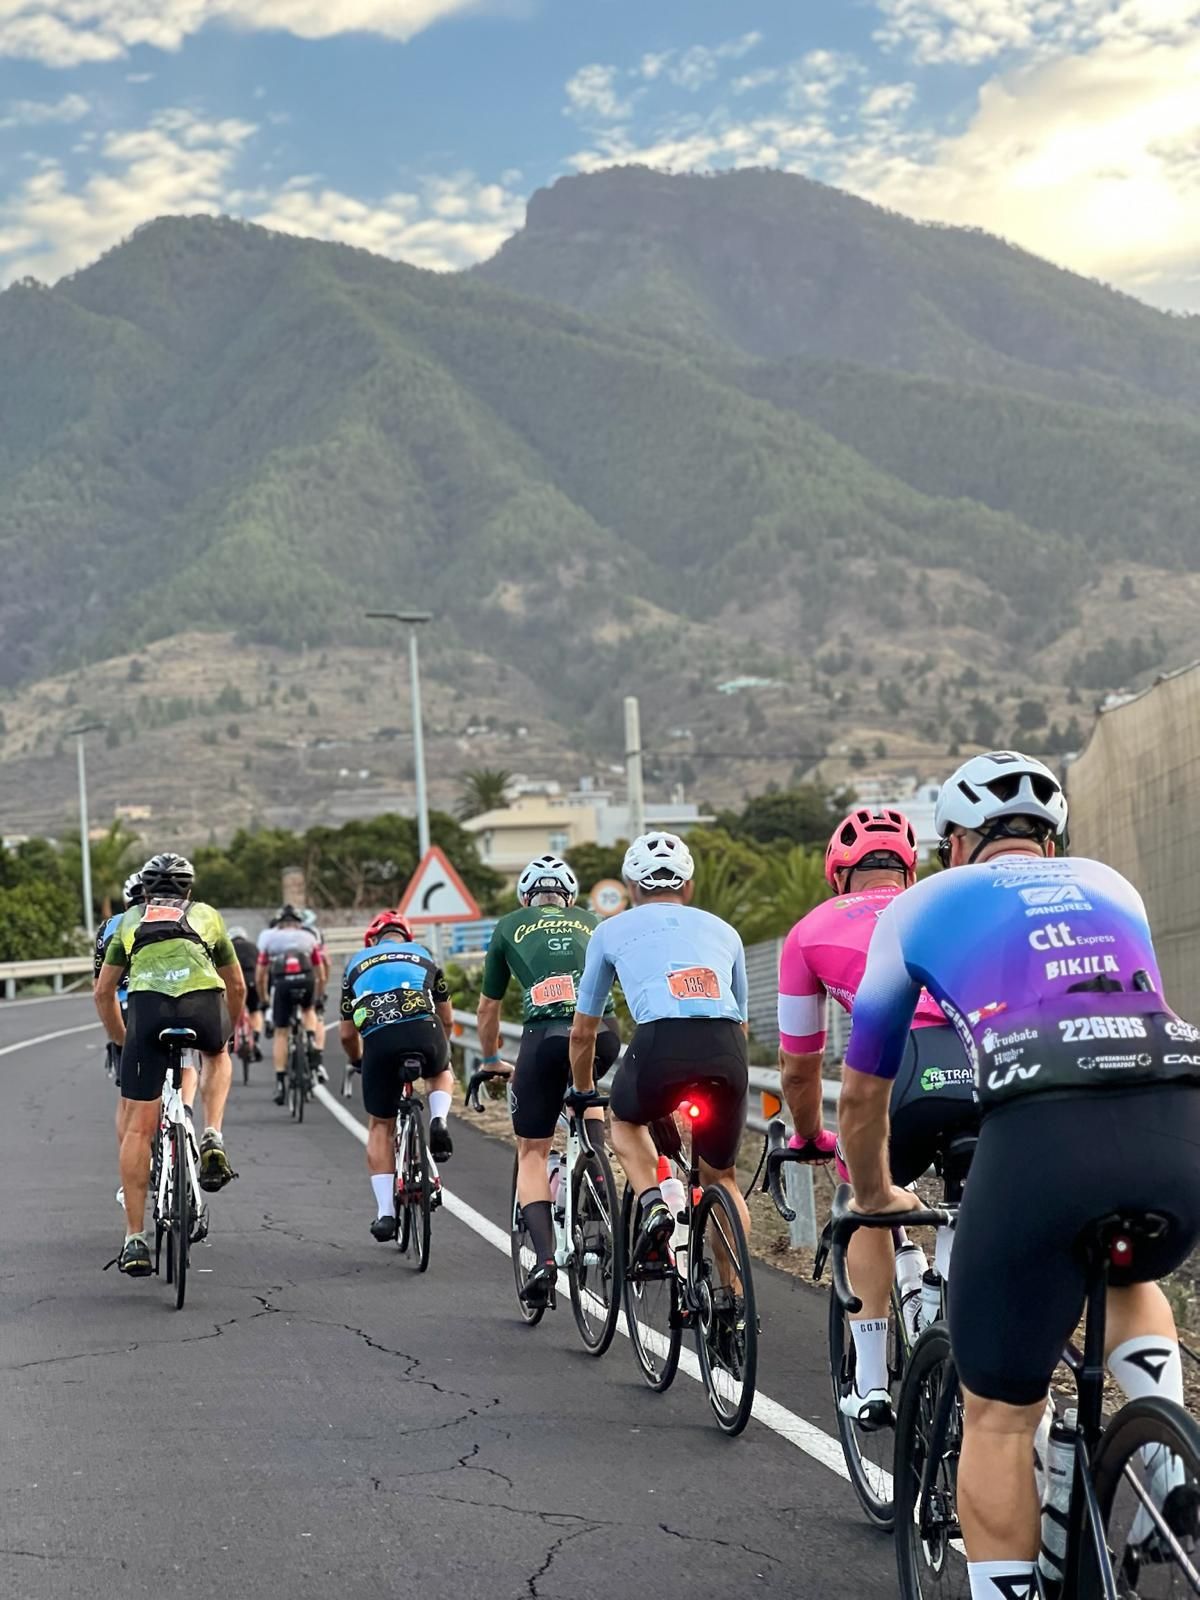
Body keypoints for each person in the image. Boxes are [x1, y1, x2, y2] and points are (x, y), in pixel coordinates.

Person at [840, 751, 1200, 1600]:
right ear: (1051, 836)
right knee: (1128, 1267)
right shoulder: (1113, 885)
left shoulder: (916, 906)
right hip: (1176, 1117)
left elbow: (860, 1097)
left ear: (955, 842)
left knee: (999, 1413)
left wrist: (874, 1195)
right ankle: (1167, 1476)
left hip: (1040, 1132)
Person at [777, 807, 977, 1425]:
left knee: (863, 1201)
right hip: (984, 1069)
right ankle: (947, 1292)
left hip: (900, 1079)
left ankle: (869, 1383)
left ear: (839, 872)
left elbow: (798, 1067)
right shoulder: (951, 905)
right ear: (910, 867)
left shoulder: (809, 930)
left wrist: (811, 1134)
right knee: (970, 1195)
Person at [570, 831, 750, 1276]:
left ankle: (652, 1203)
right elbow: (743, 1023)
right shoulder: (725, 931)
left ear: (631, 888)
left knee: (625, 1122)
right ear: (688, 886)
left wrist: (582, 1089)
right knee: (722, 1180)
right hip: (726, 1049)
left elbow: (582, 1031)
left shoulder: (608, 930)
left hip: (660, 1046)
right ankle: (736, 1310)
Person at [95, 852, 246, 1277]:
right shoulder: (208, 916)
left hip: (147, 1013)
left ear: (143, 890)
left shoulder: (127, 922)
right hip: (202, 1007)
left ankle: (135, 1240)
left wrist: (125, 1041)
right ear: (189, 889)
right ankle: (212, 1134)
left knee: (139, 1129)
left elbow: (104, 993)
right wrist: (225, 1031)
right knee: (216, 1055)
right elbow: (235, 983)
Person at [477, 854, 619, 1306]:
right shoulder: (595, 922)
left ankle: (544, 1261)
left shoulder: (509, 925)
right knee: (586, 1089)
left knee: (533, 1150)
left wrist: (492, 1059)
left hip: (545, 1038)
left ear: (525, 897)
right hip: (604, 1035)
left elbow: (487, 1010)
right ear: (571, 897)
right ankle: (598, 1178)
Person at [339, 910, 456, 1241]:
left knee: (380, 1125)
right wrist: (440, 1049)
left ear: (372, 941)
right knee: (441, 1071)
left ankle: (386, 1214)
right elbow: (445, 1017)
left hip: (380, 1037)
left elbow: (347, 1034)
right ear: (407, 937)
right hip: (425, 1028)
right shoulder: (424, 955)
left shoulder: (356, 964)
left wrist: (358, 1060)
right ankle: (439, 1119)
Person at [257, 904, 327, 1103]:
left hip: (282, 983)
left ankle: (280, 1082)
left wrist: (263, 999)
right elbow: (320, 972)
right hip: (306, 979)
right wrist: (319, 995)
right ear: (298, 923)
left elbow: (261, 975)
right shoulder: (309, 936)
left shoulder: (269, 937)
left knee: (281, 1031)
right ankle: (312, 1039)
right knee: (308, 1009)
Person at [227, 925, 263, 1059]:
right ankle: (257, 1040)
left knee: (229, 1012)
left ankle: (229, 1040)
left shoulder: (228, 947)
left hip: (235, 981)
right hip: (252, 979)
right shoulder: (253, 947)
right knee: (255, 1011)